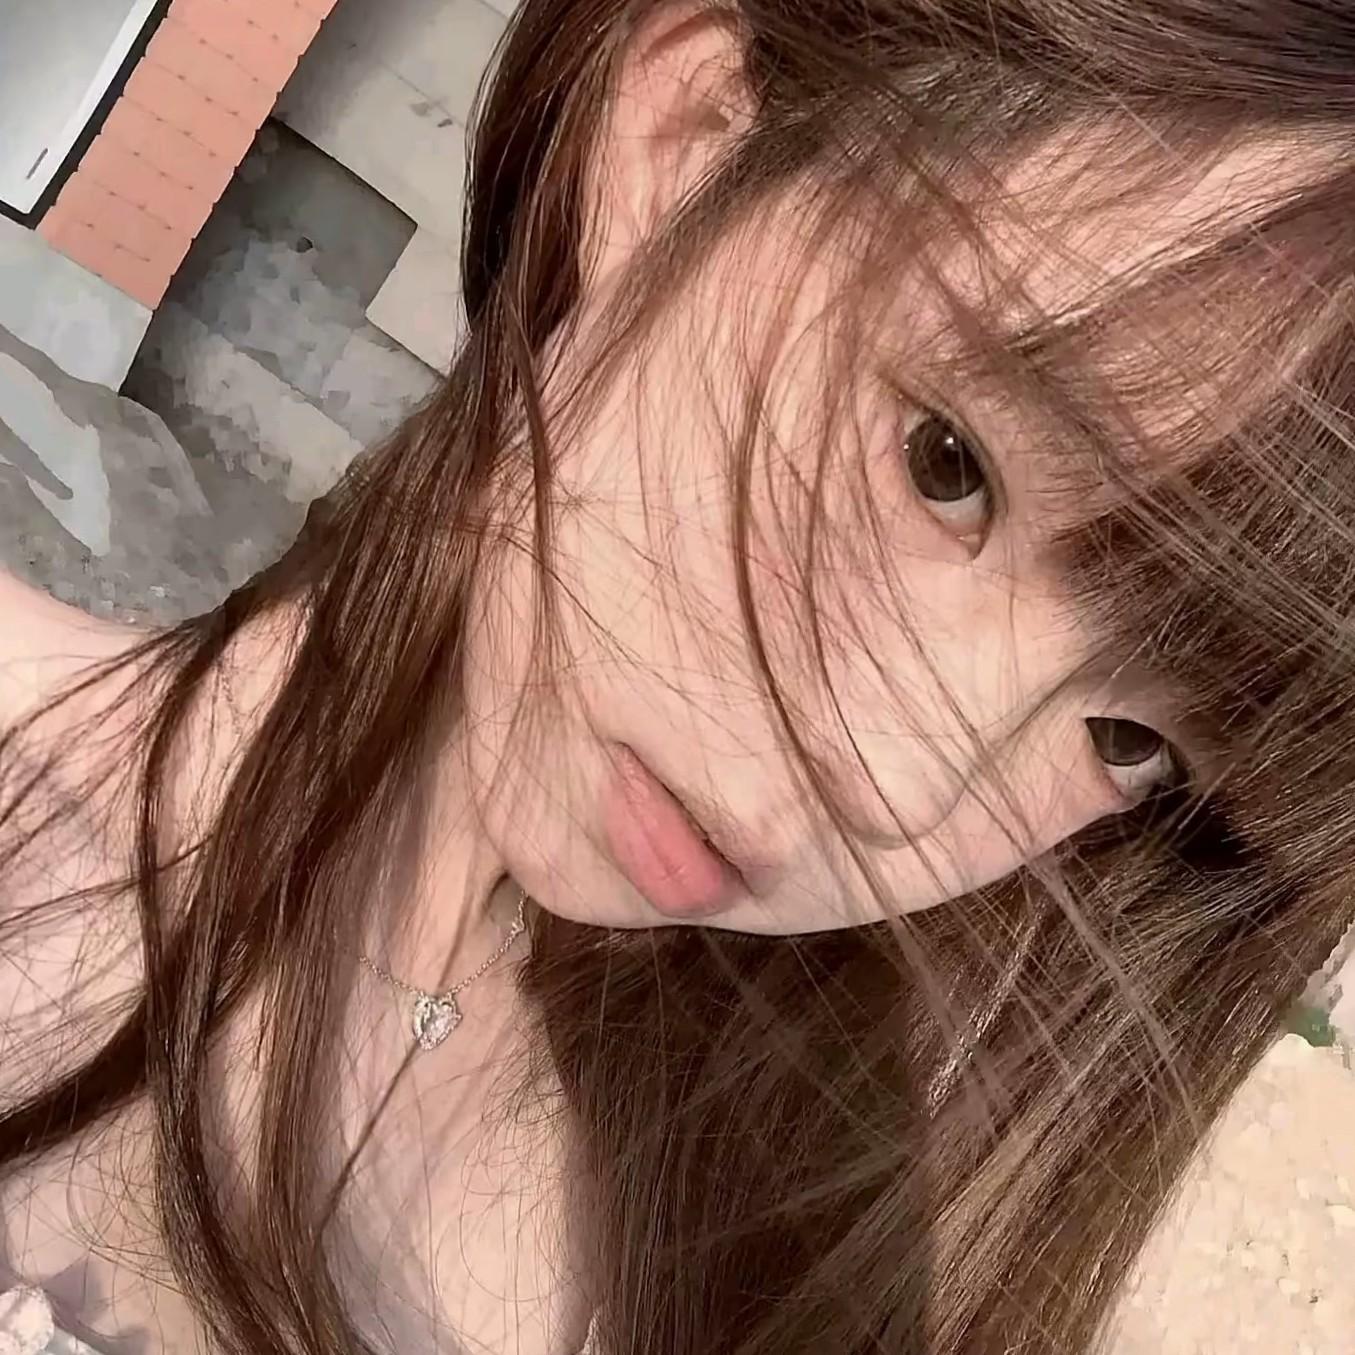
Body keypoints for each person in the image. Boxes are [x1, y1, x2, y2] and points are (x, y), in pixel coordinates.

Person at [3, 0, 1355, 1351]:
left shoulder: (779, 1281)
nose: (902, 799)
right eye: (946, 465)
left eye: (1133, 743)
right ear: (685, 141)